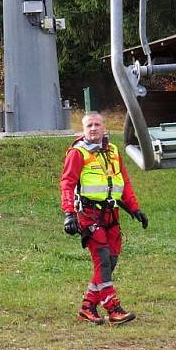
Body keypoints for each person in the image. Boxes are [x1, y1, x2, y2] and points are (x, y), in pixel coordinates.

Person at [60, 112, 149, 325]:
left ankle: (87, 307)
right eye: (89, 125)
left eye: (97, 124)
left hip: (112, 215)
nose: (93, 129)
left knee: (110, 261)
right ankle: (113, 309)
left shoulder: (113, 151)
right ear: (83, 130)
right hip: (89, 216)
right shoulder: (78, 153)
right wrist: (69, 214)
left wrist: (135, 209)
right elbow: (67, 183)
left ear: (104, 127)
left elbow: (123, 182)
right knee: (102, 261)